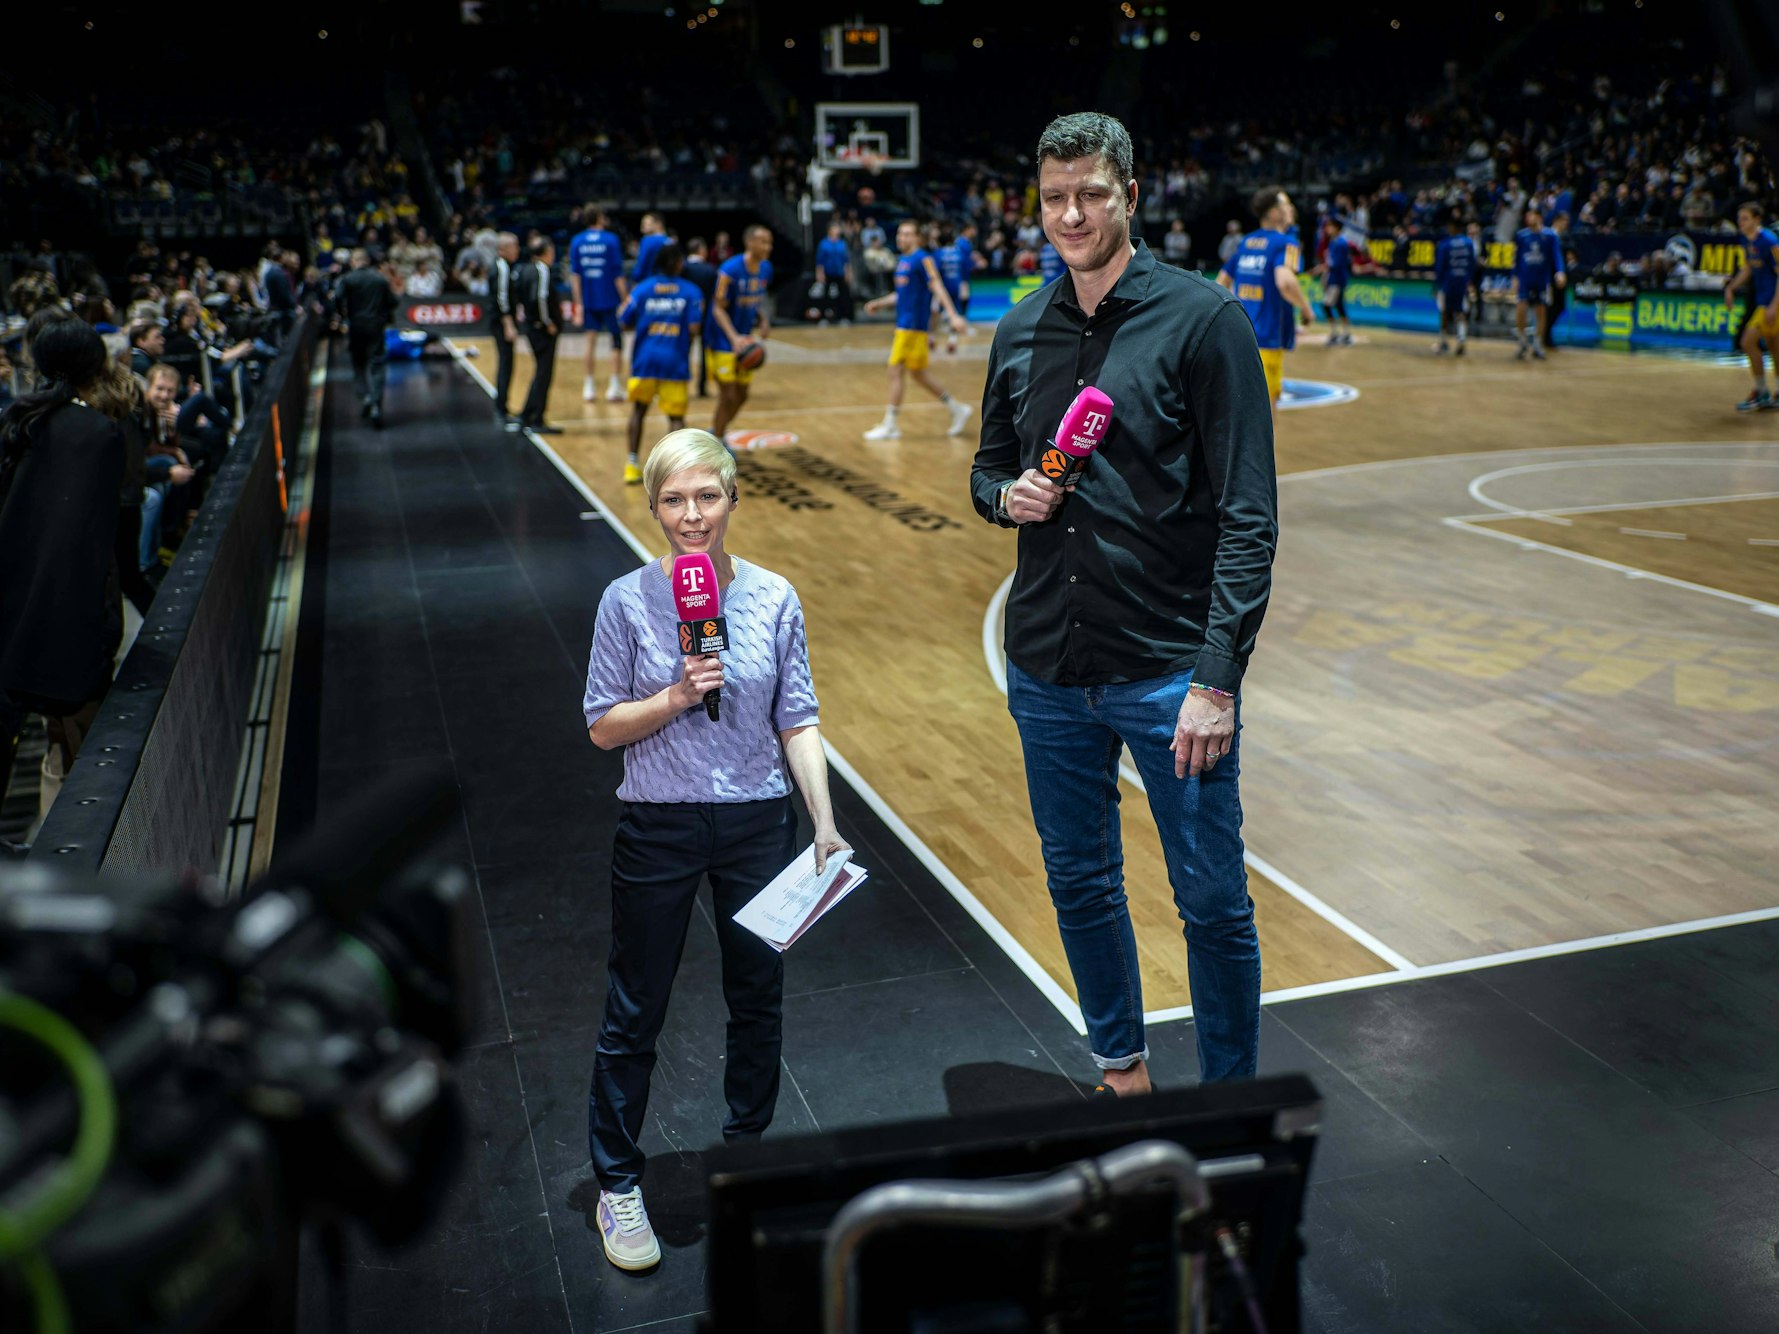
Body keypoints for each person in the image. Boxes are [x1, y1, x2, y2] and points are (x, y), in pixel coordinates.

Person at [971, 111, 1276, 1096]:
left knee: (1213, 903)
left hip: (1168, 676)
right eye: (1054, 198)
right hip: (1047, 668)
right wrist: (1006, 496)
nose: (1071, 215)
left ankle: (1228, 1103)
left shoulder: (1204, 322)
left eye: (1091, 195)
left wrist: (1217, 681)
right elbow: (984, 470)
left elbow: (1249, 518)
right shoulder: (1020, 328)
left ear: (1131, 196)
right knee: (1080, 885)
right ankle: (1121, 1073)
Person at [581, 428, 846, 1272]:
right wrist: (674, 695)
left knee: (757, 1000)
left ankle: (749, 1160)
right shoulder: (626, 600)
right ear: (654, 508)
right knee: (636, 1007)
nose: (691, 515)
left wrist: (823, 821)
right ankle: (617, 1183)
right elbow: (601, 726)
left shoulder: (774, 596)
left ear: (733, 499)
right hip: (658, 825)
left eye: (705, 496)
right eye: (673, 500)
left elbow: (797, 718)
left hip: (757, 825)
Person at [0, 319, 126, 813]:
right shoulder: (99, 434)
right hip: (70, 626)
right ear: (95, 368)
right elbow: (97, 546)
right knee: (90, 768)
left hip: (11, 619)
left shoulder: (17, 421)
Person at [859, 220, 971, 441]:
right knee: (917, 374)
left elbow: (937, 285)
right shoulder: (903, 261)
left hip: (912, 327)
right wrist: (879, 303)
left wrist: (953, 315)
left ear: (918, 237)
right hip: (905, 325)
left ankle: (891, 425)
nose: (902, 237)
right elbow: (901, 295)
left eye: (908, 234)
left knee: (894, 371)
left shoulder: (923, 259)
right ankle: (957, 408)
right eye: (900, 233)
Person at [1218, 185, 1314, 412]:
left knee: (1240, 408)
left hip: (1240, 336)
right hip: (1267, 341)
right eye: (1285, 204)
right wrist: (1306, 309)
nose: (1291, 208)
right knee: (1266, 412)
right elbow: (1285, 282)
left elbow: (1221, 282)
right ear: (1274, 212)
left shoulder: (1246, 242)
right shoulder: (1287, 243)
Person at [617, 243, 702, 484]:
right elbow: (694, 328)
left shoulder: (642, 289)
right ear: (677, 263)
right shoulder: (691, 291)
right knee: (676, 417)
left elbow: (623, 320)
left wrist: (647, 324)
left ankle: (632, 464)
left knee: (638, 411)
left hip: (645, 360)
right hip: (674, 361)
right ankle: (675, 472)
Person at [706, 225, 773, 440]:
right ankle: (718, 441)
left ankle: (717, 430)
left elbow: (756, 299)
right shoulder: (729, 270)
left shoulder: (766, 269)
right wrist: (733, 337)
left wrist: (763, 319)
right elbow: (717, 308)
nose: (768, 247)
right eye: (763, 242)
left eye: (769, 243)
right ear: (749, 242)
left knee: (742, 395)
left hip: (745, 339)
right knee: (728, 395)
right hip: (721, 339)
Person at [1724, 202, 1779, 412]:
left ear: (1757, 219)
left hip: (1772, 301)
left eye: (1745, 218)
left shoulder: (1769, 241)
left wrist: (1774, 306)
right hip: (1764, 300)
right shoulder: (1746, 241)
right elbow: (1747, 268)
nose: (1741, 222)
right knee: (1774, 347)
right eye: (1739, 218)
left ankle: (1761, 392)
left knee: (1747, 342)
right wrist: (1731, 288)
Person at [335, 249, 397, 428]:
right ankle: (376, 404)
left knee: (359, 364)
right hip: (376, 326)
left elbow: (337, 298)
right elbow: (393, 301)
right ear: (367, 261)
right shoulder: (379, 279)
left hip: (356, 326)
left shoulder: (348, 279)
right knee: (377, 364)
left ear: (353, 261)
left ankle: (366, 396)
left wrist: (342, 315)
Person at [570, 206, 626, 403]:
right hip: (610, 299)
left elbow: (575, 276)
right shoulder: (611, 240)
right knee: (616, 342)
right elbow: (618, 274)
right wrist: (625, 299)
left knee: (590, 341)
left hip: (589, 300)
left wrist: (578, 303)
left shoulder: (577, 241)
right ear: (600, 218)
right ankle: (614, 386)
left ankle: (589, 387)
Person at [514, 236, 563, 434]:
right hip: (541, 329)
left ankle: (527, 414)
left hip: (531, 327)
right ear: (546, 252)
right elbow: (540, 298)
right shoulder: (542, 270)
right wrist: (547, 322)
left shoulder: (524, 269)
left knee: (540, 373)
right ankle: (536, 418)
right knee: (544, 374)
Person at [1511, 206, 1565, 361]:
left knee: (1541, 311)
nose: (1529, 218)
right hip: (1525, 279)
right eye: (1528, 216)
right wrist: (1514, 277)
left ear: (1539, 217)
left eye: (1532, 215)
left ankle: (1537, 342)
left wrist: (1559, 272)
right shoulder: (1522, 235)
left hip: (1542, 279)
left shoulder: (1549, 236)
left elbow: (1556, 255)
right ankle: (1522, 340)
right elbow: (1517, 258)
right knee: (1521, 307)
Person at [1433, 215, 1478, 355]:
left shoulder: (1445, 244)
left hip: (1448, 282)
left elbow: (1440, 266)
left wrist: (1436, 284)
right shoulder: (1468, 243)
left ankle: (1443, 341)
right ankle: (1462, 339)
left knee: (1444, 312)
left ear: (1451, 227)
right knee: (1460, 311)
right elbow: (1472, 264)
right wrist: (1470, 281)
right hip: (1462, 282)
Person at [682, 238, 720, 399]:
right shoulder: (710, 270)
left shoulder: (682, 268)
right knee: (705, 351)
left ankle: (681, 382)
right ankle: (702, 386)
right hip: (706, 316)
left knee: (684, 350)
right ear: (701, 250)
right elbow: (716, 296)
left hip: (684, 316)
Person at [491, 232, 521, 427]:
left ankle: (503, 406)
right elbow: (501, 299)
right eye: (514, 246)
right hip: (501, 323)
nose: (517, 250)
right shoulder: (501, 268)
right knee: (506, 363)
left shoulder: (503, 267)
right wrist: (508, 324)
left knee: (506, 363)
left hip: (500, 322)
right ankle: (501, 408)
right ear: (503, 249)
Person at [1313, 217, 1354, 346]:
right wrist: (1325, 276)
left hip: (1337, 280)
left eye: (1330, 226)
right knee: (1339, 306)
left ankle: (1336, 334)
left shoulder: (1341, 243)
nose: (1327, 229)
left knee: (1327, 305)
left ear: (1337, 228)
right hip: (1333, 280)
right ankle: (1345, 334)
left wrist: (1320, 269)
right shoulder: (1333, 242)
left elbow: (1335, 264)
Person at [935, 222, 975, 354]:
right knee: (957, 311)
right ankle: (952, 339)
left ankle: (931, 337)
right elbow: (967, 266)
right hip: (957, 285)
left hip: (942, 287)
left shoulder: (938, 253)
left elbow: (935, 271)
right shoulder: (958, 252)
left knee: (935, 310)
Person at [813, 219, 854, 325]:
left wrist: (848, 273)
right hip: (828, 273)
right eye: (835, 228)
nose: (838, 230)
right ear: (830, 230)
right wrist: (820, 273)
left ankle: (844, 317)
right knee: (825, 296)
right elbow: (819, 261)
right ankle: (823, 318)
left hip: (840, 273)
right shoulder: (823, 244)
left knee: (843, 296)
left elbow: (846, 260)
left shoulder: (842, 243)